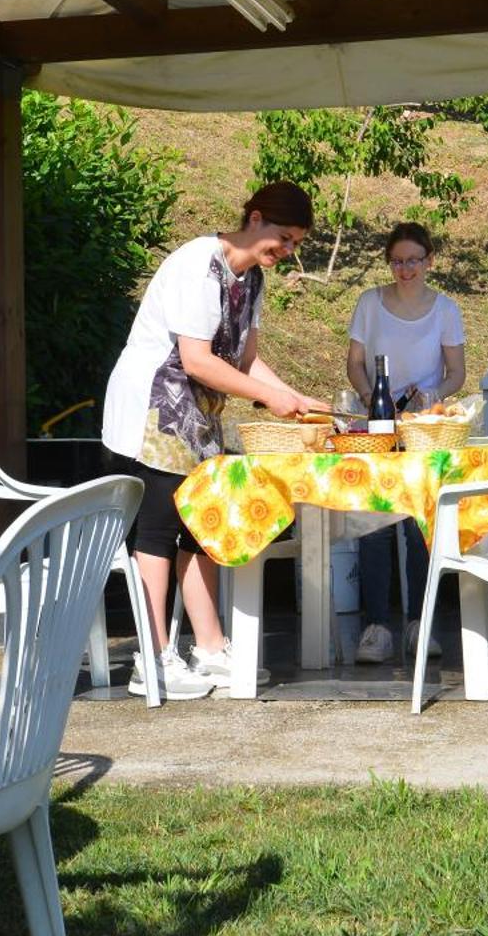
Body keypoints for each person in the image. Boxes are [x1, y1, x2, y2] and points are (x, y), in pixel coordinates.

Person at [102, 181, 326, 699]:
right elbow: (198, 359)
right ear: (254, 218)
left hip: (199, 414)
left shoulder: (252, 280)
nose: (287, 252)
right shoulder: (197, 263)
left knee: (201, 526)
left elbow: (243, 361)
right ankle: (152, 657)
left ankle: (209, 647)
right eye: (284, 238)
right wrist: (271, 400)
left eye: (295, 244)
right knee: (156, 533)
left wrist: (295, 396)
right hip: (155, 408)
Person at [345, 222, 466, 664]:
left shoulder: (446, 309)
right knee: (375, 520)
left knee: (419, 524)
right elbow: (355, 363)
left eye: (414, 260)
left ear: (429, 261)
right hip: (379, 424)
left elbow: (457, 372)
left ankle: (420, 623)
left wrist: (434, 396)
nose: (405, 269)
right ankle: (376, 628)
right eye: (397, 261)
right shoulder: (369, 304)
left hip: (424, 428)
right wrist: (369, 397)